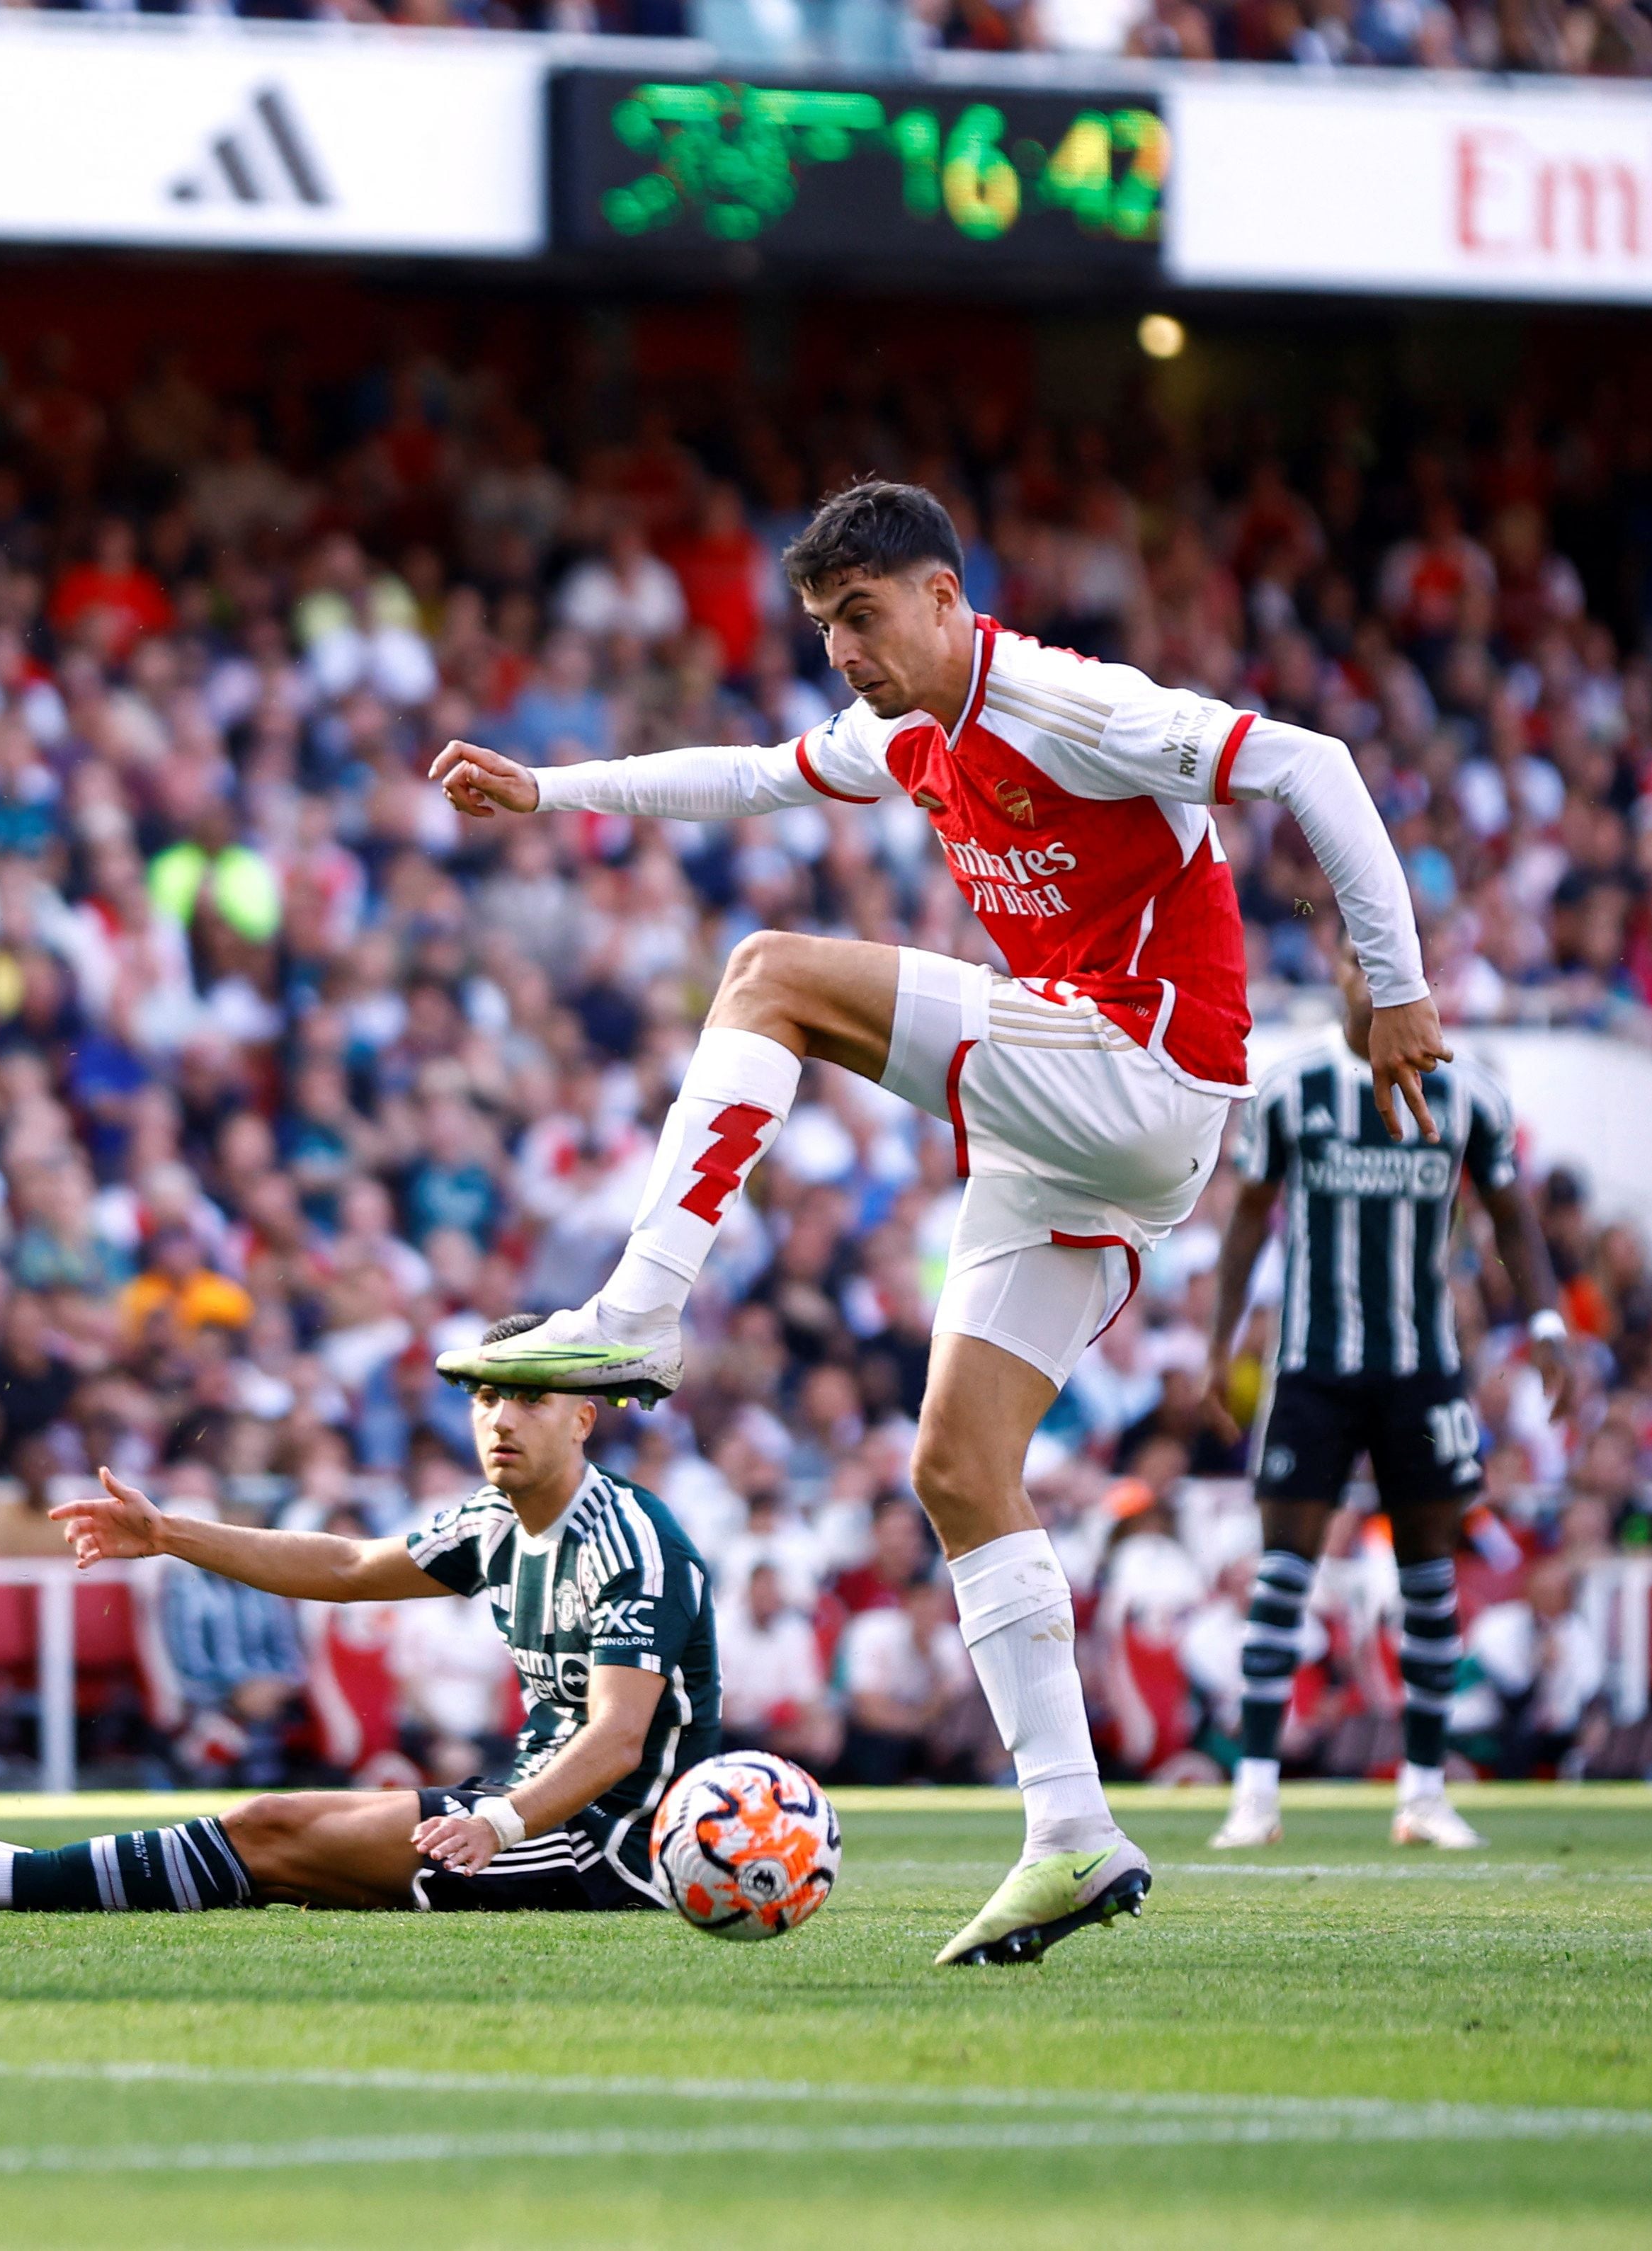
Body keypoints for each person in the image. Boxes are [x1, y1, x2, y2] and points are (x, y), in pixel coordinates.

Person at [428, 479, 1438, 1964]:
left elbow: (1309, 761)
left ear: (946, 600)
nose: (841, 647)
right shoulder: (904, 729)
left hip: (1146, 1067)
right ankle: (1070, 1831)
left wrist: (1394, 980)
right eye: (824, 624)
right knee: (957, 1465)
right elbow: (754, 775)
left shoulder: (1063, 700)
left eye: (861, 614)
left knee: (769, 969)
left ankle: (641, 1305)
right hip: (1077, 1128)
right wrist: (550, 790)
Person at [0, 1315, 719, 1917]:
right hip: (532, 1808)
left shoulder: (633, 1542)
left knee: (272, 1836)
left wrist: (494, 1821)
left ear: (583, 1417)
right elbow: (348, 1566)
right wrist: (169, 1532)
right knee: (269, 1823)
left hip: (614, 1848)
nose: (500, 1417)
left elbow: (617, 1740)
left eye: (529, 1398)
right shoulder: (498, 1522)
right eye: (486, 1396)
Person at [1204, 949, 1573, 1851]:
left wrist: (1550, 1323)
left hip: (1422, 1366)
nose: (1372, 976)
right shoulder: (1294, 1090)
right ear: (1332, 969)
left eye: (1391, 960)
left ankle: (1424, 1791)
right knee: (1285, 1570)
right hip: (1312, 1365)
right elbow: (1250, 1217)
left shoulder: (1469, 1093)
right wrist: (1221, 1339)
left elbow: (1512, 1217)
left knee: (1429, 1575)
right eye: (1358, 958)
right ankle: (1254, 1792)